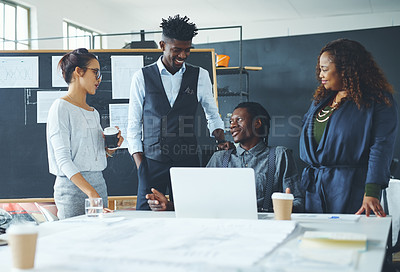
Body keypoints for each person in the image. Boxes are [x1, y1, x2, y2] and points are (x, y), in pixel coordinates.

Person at [127, 15, 231, 210]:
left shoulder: (200, 75)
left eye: (187, 50)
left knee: (189, 211)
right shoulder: (141, 77)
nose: (183, 56)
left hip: (187, 159)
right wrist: (142, 168)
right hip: (152, 161)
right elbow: (133, 125)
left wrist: (220, 138)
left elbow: (212, 113)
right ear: (162, 45)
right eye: (177, 50)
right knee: (146, 216)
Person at [299, 38, 398, 216]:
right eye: (319, 69)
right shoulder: (321, 100)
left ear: (345, 70)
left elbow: (381, 146)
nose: (320, 75)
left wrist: (372, 192)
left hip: (352, 188)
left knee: (347, 240)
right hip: (314, 189)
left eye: (325, 69)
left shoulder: (377, 100)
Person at [146, 102, 304, 213]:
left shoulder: (279, 156)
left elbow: (298, 201)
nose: (232, 125)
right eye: (230, 121)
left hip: (265, 228)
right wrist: (170, 205)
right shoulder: (219, 158)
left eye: (239, 120)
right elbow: (200, 201)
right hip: (225, 227)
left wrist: (286, 205)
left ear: (257, 123)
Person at [46, 48, 123, 219]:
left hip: (98, 185)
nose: (99, 79)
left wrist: (110, 150)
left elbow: (93, 156)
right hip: (72, 191)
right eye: (95, 72)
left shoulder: (93, 112)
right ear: (78, 71)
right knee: (74, 242)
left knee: (99, 241)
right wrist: (91, 192)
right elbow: (63, 160)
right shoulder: (60, 107)